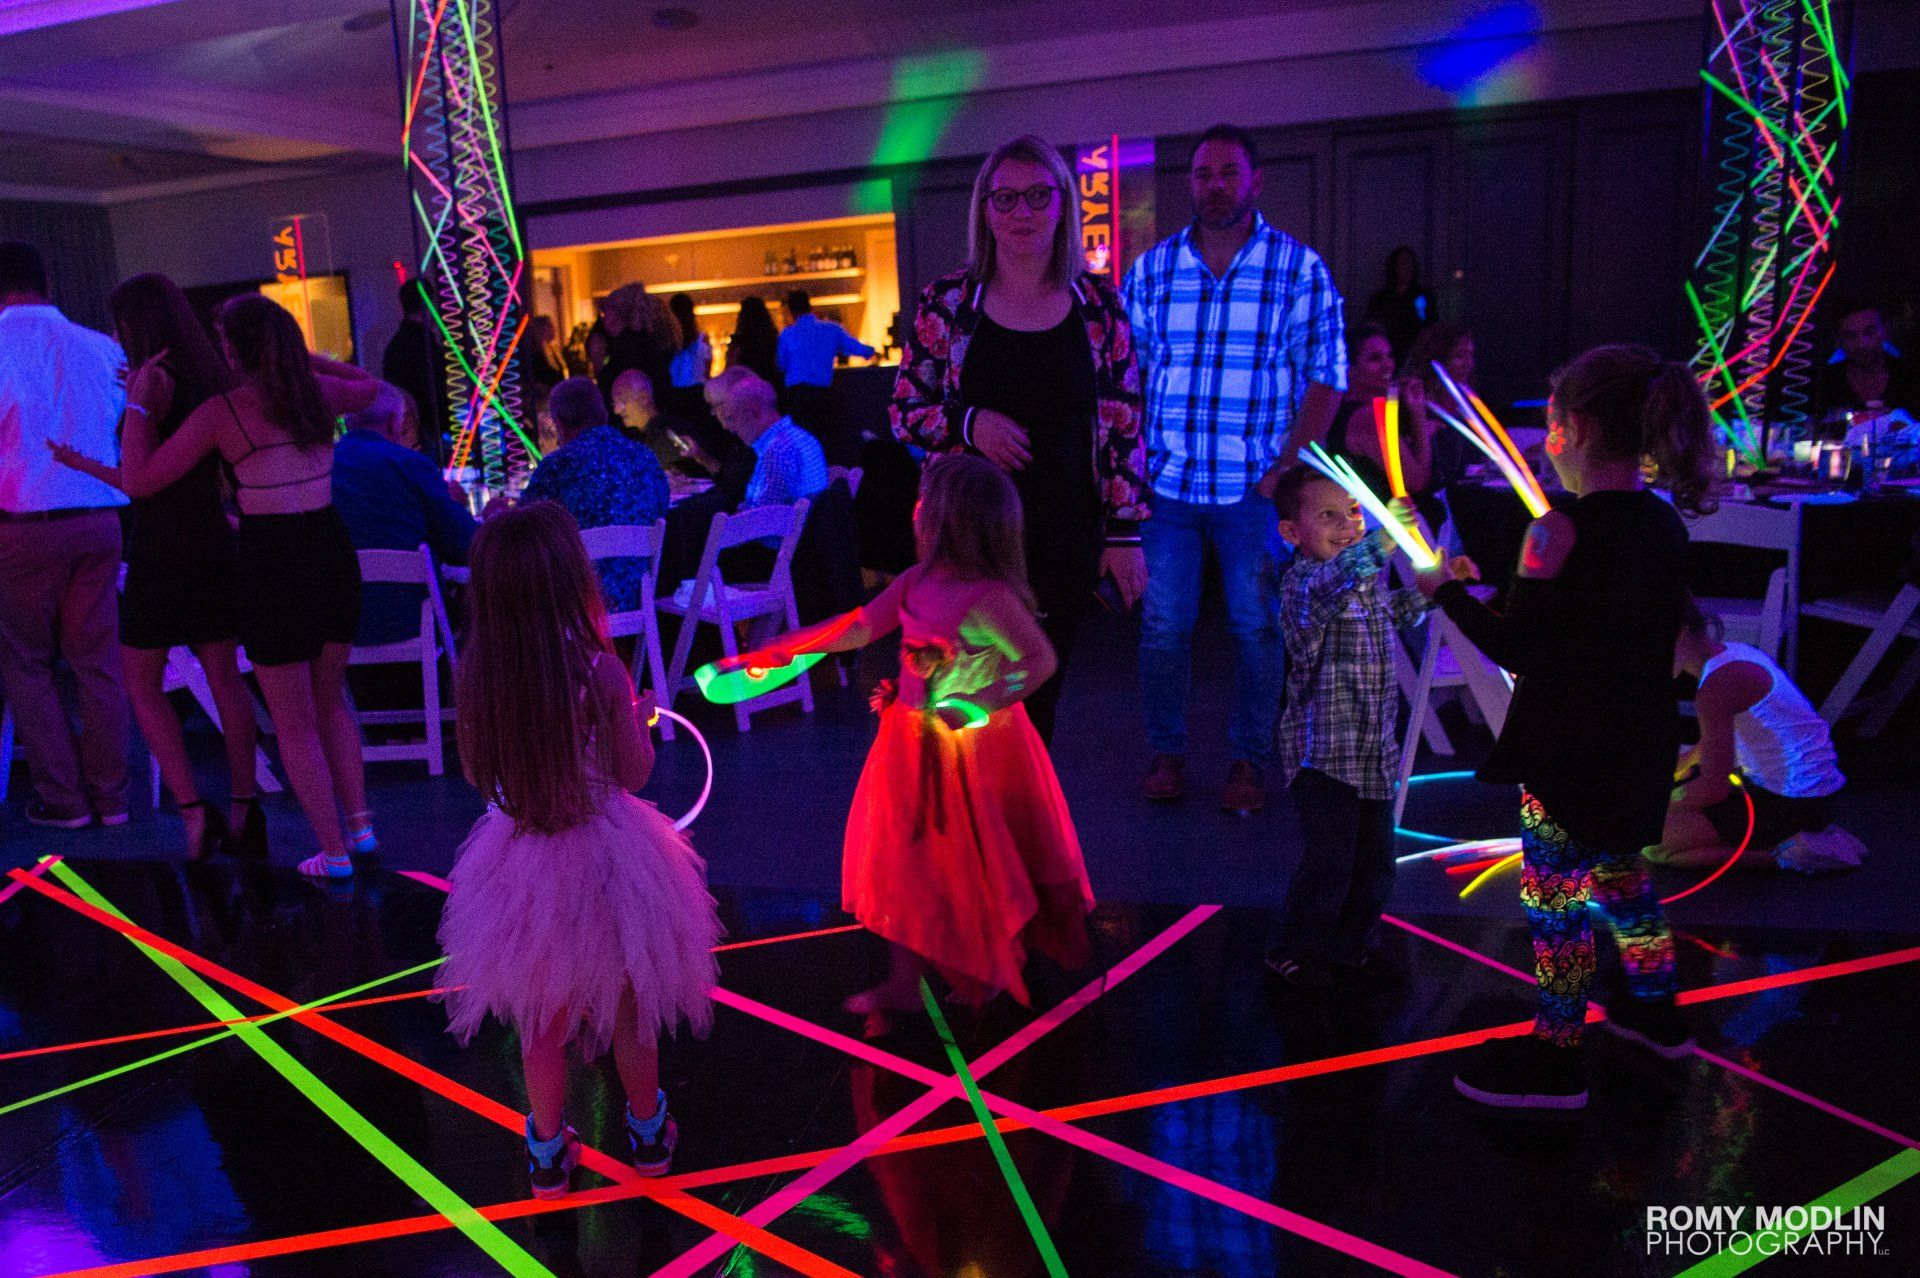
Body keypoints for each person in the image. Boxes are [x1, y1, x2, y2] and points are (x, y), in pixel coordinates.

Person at [1413, 343, 1717, 1109]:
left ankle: (1556, 1056)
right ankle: (1656, 1014)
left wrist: (1441, 592)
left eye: (1550, 423)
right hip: (1642, 741)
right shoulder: (1662, 522)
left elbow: (1517, 645)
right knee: (1624, 877)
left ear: (1573, 428)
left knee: (1554, 901)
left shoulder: (1554, 532)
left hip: (1567, 748)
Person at [723, 455, 1092, 1015]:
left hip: (968, 758)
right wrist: (781, 651)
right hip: (907, 748)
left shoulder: (989, 599)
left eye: (925, 502)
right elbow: (860, 626)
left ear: (948, 521)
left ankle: (985, 962)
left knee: (968, 864)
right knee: (900, 859)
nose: (914, 510)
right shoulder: (916, 582)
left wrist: (978, 702)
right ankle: (905, 981)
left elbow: (1038, 660)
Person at [436, 502, 720, 1196]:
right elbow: (634, 772)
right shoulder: (597, 669)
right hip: (609, 862)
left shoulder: (479, 675)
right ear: (570, 578)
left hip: (523, 861)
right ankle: (649, 1134)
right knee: (632, 1004)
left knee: (542, 1018)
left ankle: (544, 1150)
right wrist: (638, 717)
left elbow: (479, 777)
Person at [53, 294, 386, 879]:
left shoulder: (224, 413)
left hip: (274, 565)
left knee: (295, 721)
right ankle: (360, 832)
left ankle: (332, 854)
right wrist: (300, 359)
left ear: (233, 349)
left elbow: (140, 478)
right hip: (332, 553)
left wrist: (136, 406)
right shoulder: (314, 394)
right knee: (332, 701)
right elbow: (372, 388)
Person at [892, 134, 1148, 746]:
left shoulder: (1098, 306)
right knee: (960, 692)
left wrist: (1123, 532)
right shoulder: (949, 303)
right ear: (984, 210)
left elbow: (1124, 422)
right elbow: (905, 410)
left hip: (1065, 531)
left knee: (1036, 695)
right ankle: (962, 827)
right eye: (1005, 199)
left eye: (1038, 196)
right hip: (966, 537)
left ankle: (1019, 829)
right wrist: (970, 422)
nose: (1021, 213)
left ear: (1063, 205)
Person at [1124, 123, 1346, 811]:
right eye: (1202, 174)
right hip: (1165, 488)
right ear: (1189, 183)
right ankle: (1167, 752)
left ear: (1255, 181)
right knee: (1165, 627)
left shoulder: (1297, 268)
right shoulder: (1153, 271)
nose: (1213, 184)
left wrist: (1286, 469)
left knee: (1257, 629)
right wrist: (1128, 467)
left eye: (1227, 172)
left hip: (1254, 489)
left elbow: (1327, 377)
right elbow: (1124, 374)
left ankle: (1249, 760)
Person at [1267, 466, 1469, 987]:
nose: (1346, 523)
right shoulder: (1303, 584)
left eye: (1353, 511)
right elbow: (1334, 584)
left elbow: (1390, 613)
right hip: (1324, 755)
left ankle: (1351, 944)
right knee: (1328, 865)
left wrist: (1433, 590)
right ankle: (1296, 948)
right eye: (1328, 515)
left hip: (1373, 754)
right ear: (1292, 533)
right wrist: (1380, 540)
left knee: (1376, 863)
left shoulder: (1361, 580)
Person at [99, 273, 264, 858]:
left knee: (141, 682)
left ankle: (195, 813)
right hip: (212, 539)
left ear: (135, 325)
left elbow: (138, 479)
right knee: (225, 677)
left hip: (162, 549)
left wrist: (138, 403)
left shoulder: (155, 382)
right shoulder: (209, 380)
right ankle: (246, 806)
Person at [0, 241, 132, 829]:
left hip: (22, 525)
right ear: (46, 280)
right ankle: (113, 800)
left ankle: (66, 803)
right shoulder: (103, 347)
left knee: (27, 665)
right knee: (97, 663)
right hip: (102, 519)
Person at [1651, 597, 1864, 873]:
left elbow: (1712, 789)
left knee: (1654, 844)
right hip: (1806, 792)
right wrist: (1679, 769)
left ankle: (1797, 854)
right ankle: (1814, 834)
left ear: (1678, 633)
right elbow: (1714, 743)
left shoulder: (1716, 688)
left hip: (1793, 802)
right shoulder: (1733, 654)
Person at [331, 383, 478, 646]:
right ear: (393, 422)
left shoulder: (321, 468)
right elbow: (466, 543)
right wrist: (454, 504)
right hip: (416, 625)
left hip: (342, 632)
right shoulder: (409, 464)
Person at [521, 377, 670, 613]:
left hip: (577, 606)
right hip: (641, 598)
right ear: (603, 413)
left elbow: (524, 527)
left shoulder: (557, 467)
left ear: (558, 423)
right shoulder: (645, 457)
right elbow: (662, 509)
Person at [1325, 322, 1441, 527]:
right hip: (1389, 532)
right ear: (1350, 370)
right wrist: (1418, 413)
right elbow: (1417, 481)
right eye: (1375, 359)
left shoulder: (1348, 410)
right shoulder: (1367, 418)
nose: (1389, 365)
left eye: (1389, 356)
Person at [706, 366, 827, 511]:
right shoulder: (802, 437)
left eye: (732, 418)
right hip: (802, 528)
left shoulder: (778, 451)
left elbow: (762, 518)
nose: (727, 427)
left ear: (751, 414)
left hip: (783, 532)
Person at [778, 290, 873, 464]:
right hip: (824, 395)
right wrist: (872, 352)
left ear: (790, 311)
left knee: (802, 447)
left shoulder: (787, 334)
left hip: (797, 397)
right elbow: (861, 350)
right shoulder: (831, 329)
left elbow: (781, 365)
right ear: (810, 307)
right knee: (825, 444)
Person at [1401, 321, 1479, 489]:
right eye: (1460, 356)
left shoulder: (1468, 405)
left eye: (1470, 355)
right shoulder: (1413, 403)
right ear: (1438, 359)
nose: (1469, 364)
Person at [1817, 298, 1917, 419]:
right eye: (1851, 336)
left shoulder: (1912, 376)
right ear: (1838, 340)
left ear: (1884, 330)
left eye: (1870, 332)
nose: (1862, 344)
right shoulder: (1824, 382)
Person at [382, 278, 445, 465]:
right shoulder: (426, 348)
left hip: (406, 441)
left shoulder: (394, 347)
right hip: (430, 438)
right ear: (429, 305)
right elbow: (438, 395)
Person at [610, 369, 710, 477]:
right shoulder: (632, 438)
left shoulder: (672, 434)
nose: (616, 410)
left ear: (644, 398)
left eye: (623, 401)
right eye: (614, 403)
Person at [595, 284, 675, 409]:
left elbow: (611, 385)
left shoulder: (627, 346)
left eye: (605, 314)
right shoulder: (646, 339)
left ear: (617, 314)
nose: (603, 320)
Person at [1363, 245, 1431, 362]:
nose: (1406, 268)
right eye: (1402, 263)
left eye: (1410, 264)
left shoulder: (1423, 297)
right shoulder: (1380, 299)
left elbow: (1430, 326)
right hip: (1387, 354)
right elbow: (1372, 329)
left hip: (1417, 356)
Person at [725, 295, 781, 388]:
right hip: (771, 387)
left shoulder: (739, 342)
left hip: (745, 389)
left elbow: (730, 369)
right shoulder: (773, 340)